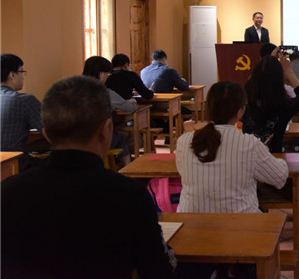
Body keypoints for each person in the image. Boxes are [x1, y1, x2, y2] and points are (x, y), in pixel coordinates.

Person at [1, 75, 175, 278]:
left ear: (46, 134)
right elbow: (158, 269)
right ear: (106, 130)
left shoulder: (7, 192)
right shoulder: (129, 195)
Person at [176, 81, 288, 213]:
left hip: (191, 220)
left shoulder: (184, 141)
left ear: (207, 108)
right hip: (239, 222)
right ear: (240, 111)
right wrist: (268, 154)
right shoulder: (249, 144)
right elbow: (279, 177)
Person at [242, 49, 299, 152]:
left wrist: (267, 61)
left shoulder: (247, 102)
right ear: (280, 79)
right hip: (272, 156)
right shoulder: (284, 106)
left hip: (247, 154)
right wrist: (288, 71)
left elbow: (250, 83)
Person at [83, 56, 136, 166]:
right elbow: (129, 107)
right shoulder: (104, 92)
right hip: (98, 139)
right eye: (107, 74)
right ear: (101, 74)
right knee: (121, 141)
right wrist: (132, 101)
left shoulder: (73, 90)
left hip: (76, 138)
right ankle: (127, 171)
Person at [0, 54, 44, 171]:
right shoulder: (24, 100)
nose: (23, 77)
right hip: (15, 166)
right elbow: (52, 132)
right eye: (21, 72)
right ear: (12, 75)